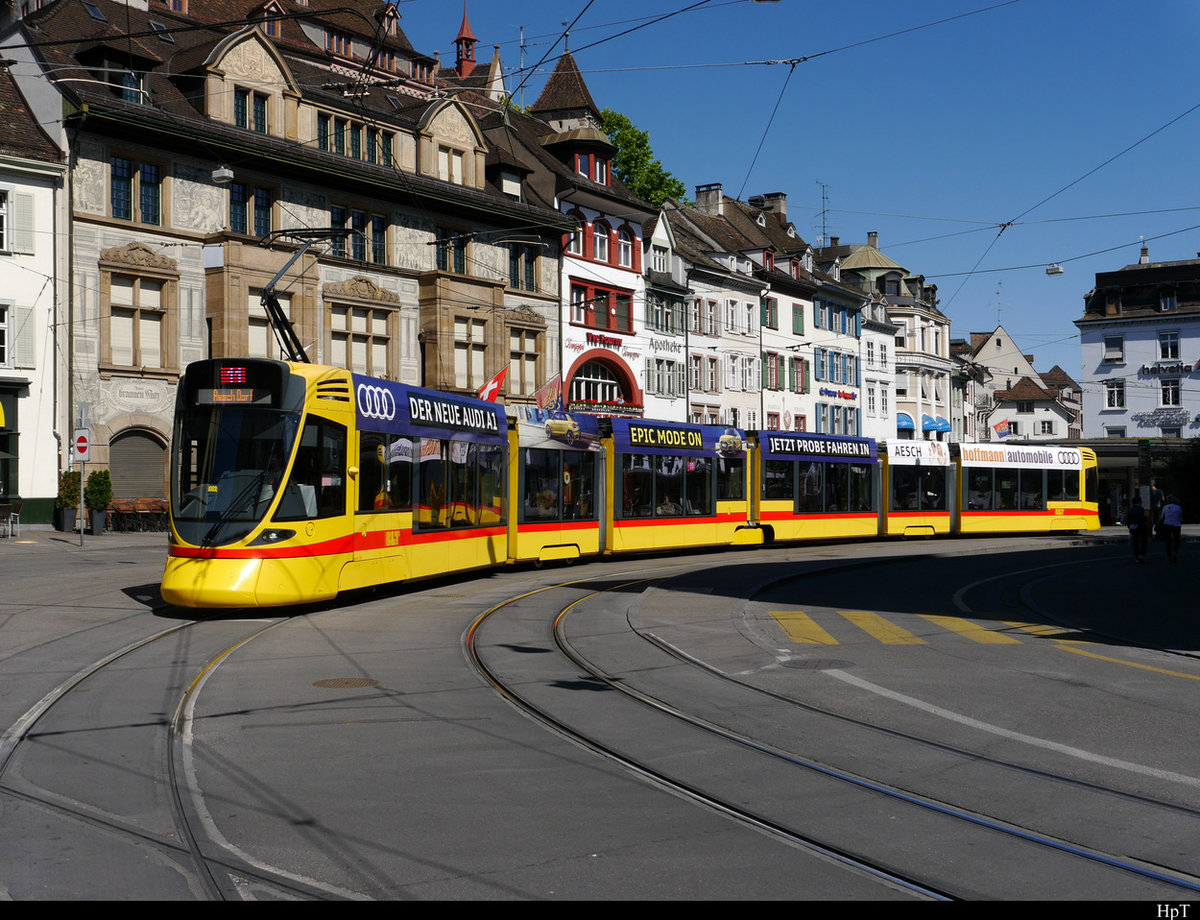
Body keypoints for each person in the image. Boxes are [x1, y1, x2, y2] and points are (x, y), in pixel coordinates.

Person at [1160, 494, 1183, 564]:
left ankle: (1168, 555)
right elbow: (1181, 517)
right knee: (1177, 539)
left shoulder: (1165, 507)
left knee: (1168, 540)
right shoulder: (1178, 507)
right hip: (1176, 524)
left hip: (1167, 524)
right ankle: (1175, 551)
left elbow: (1162, 517)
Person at [1126, 494, 1148, 562]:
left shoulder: (1130, 509)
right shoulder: (1140, 509)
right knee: (1144, 540)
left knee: (1136, 542)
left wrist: (1129, 527)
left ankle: (1136, 556)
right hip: (1140, 526)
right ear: (1139, 502)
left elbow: (1128, 519)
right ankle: (1141, 554)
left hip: (1132, 527)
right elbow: (1142, 518)